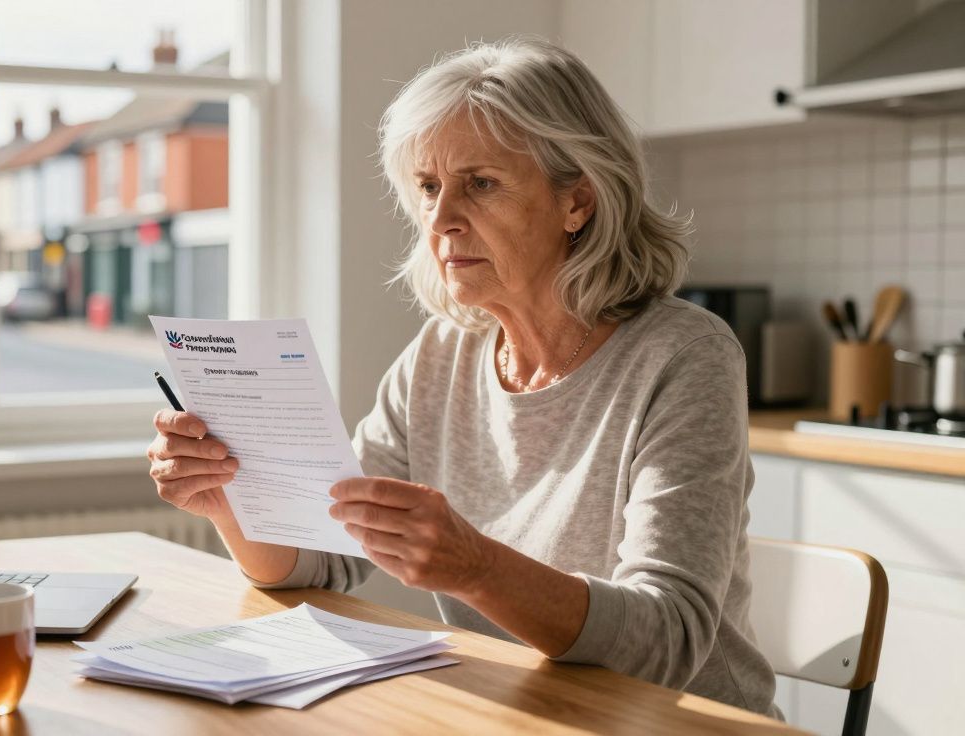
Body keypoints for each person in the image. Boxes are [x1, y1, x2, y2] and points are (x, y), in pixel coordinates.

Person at [147, 37, 780, 718]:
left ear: (579, 202)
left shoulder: (685, 356)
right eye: (427, 187)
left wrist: (477, 567)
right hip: (514, 714)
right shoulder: (439, 356)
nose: (441, 220)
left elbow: (667, 639)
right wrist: (229, 499)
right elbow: (324, 556)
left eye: (480, 184)